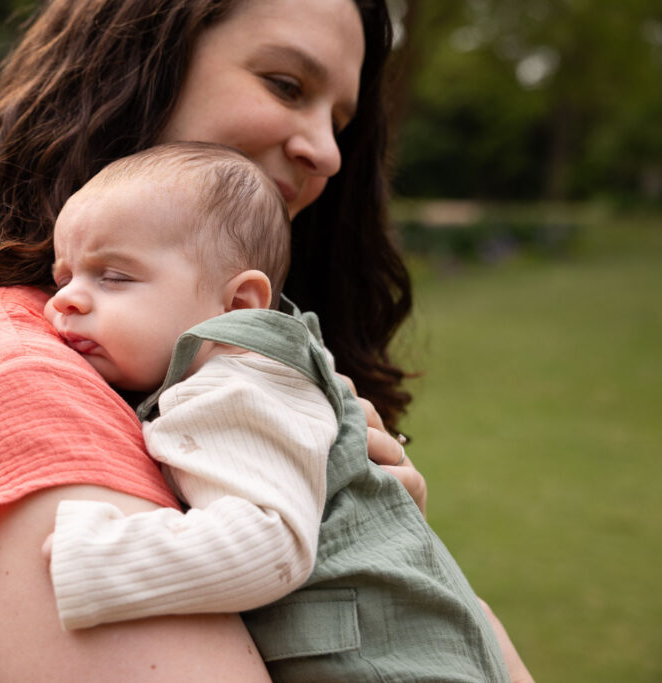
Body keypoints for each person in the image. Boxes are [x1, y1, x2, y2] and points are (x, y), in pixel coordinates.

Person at [0, 0, 533, 680]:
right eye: (286, 84)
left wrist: (378, 544)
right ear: (138, 61)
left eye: (339, 123)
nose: (326, 153)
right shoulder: (15, 377)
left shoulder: (172, 365)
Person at [41, 141, 511, 680]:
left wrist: (96, 558)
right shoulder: (252, 369)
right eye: (63, 278)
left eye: (114, 277)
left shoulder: (233, 387)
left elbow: (271, 544)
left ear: (238, 305)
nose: (65, 301)